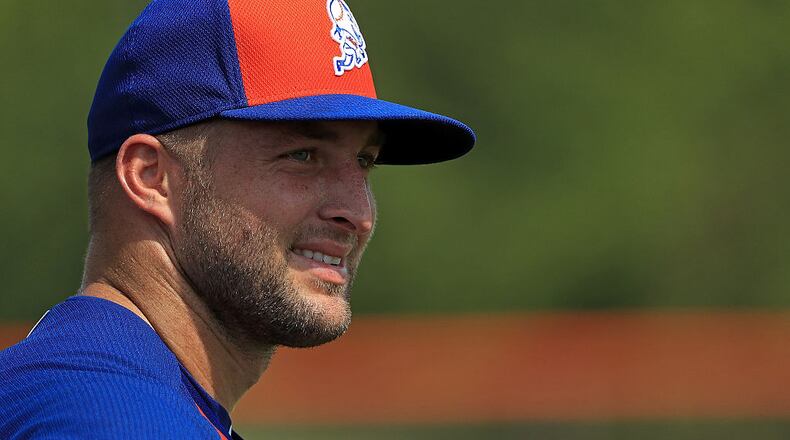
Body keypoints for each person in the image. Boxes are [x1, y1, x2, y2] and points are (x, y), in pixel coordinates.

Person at [0, 0, 475, 438]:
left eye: (365, 161)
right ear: (151, 177)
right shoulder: (116, 420)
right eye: (303, 154)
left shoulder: (75, 386)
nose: (357, 212)